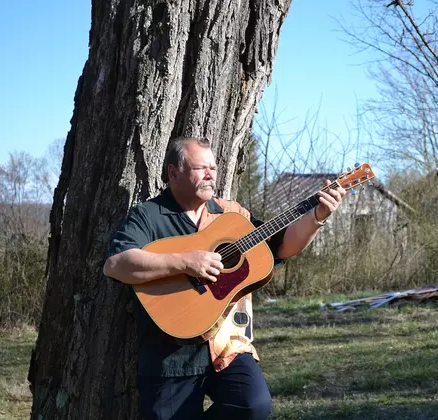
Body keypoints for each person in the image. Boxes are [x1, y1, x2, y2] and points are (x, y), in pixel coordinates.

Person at [103, 137, 345, 420]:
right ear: (173, 173)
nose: (210, 174)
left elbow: (281, 246)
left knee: (253, 405)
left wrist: (317, 216)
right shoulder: (149, 215)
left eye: (214, 168)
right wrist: (184, 262)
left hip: (227, 347)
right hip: (169, 357)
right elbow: (116, 264)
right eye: (201, 167)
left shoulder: (232, 216)